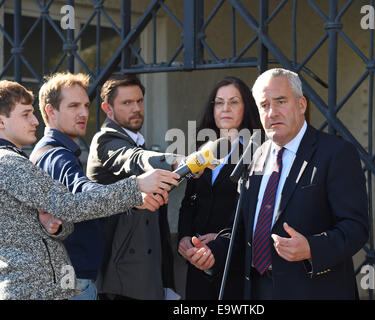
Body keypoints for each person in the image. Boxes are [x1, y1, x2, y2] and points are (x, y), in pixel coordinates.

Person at [185, 68, 369, 299]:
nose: (272, 112)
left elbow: (356, 228)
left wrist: (312, 248)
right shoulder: (255, 156)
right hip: (258, 291)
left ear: (301, 105)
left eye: (280, 102)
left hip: (313, 291)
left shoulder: (336, 153)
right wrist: (213, 252)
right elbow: (241, 230)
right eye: (264, 105)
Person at [0, 80, 180, 300]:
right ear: (1, 122)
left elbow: (52, 220)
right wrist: (137, 187)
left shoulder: (17, 161)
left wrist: (50, 226)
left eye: (85, 105)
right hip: (36, 289)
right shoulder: (13, 162)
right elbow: (73, 203)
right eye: (26, 114)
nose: (35, 120)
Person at [87, 74, 179, 300]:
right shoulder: (106, 140)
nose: (136, 108)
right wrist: (172, 160)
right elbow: (132, 157)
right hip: (120, 276)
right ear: (108, 109)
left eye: (139, 101)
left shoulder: (136, 139)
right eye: (127, 103)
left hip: (144, 270)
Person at [178, 76, 263, 300]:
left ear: (246, 107)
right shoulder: (202, 150)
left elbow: (254, 209)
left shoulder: (258, 152)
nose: (225, 108)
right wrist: (184, 236)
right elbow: (189, 201)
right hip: (197, 260)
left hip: (234, 262)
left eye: (234, 102)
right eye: (219, 102)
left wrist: (222, 238)